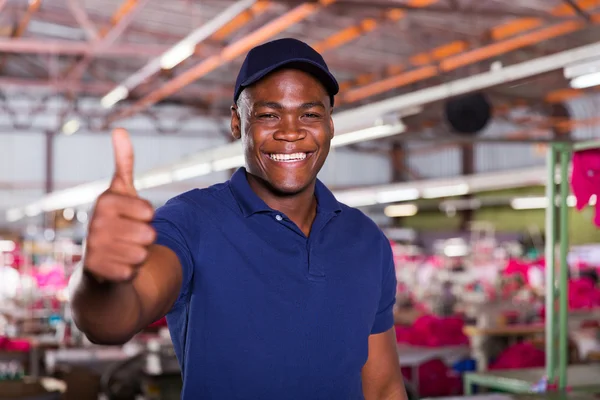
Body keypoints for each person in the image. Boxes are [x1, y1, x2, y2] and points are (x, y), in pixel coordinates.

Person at [71, 37, 407, 400]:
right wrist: (100, 279)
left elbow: (384, 387)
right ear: (237, 122)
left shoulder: (366, 240)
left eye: (309, 114)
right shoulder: (190, 222)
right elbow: (114, 321)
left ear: (330, 124)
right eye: (268, 114)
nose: (291, 132)